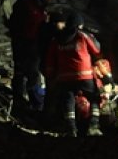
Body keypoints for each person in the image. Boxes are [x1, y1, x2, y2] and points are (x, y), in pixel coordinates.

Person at [43, 9, 103, 137]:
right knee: (94, 98)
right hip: (84, 74)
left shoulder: (56, 39)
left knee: (68, 100)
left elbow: (49, 60)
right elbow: (97, 49)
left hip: (64, 77)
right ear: (79, 25)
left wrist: (51, 77)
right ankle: (93, 126)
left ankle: (71, 129)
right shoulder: (82, 35)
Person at [6, 0, 53, 115]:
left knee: (28, 73)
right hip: (25, 44)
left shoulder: (38, 7)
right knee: (28, 73)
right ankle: (31, 103)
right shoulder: (25, 6)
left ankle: (27, 101)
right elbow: (17, 26)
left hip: (32, 43)